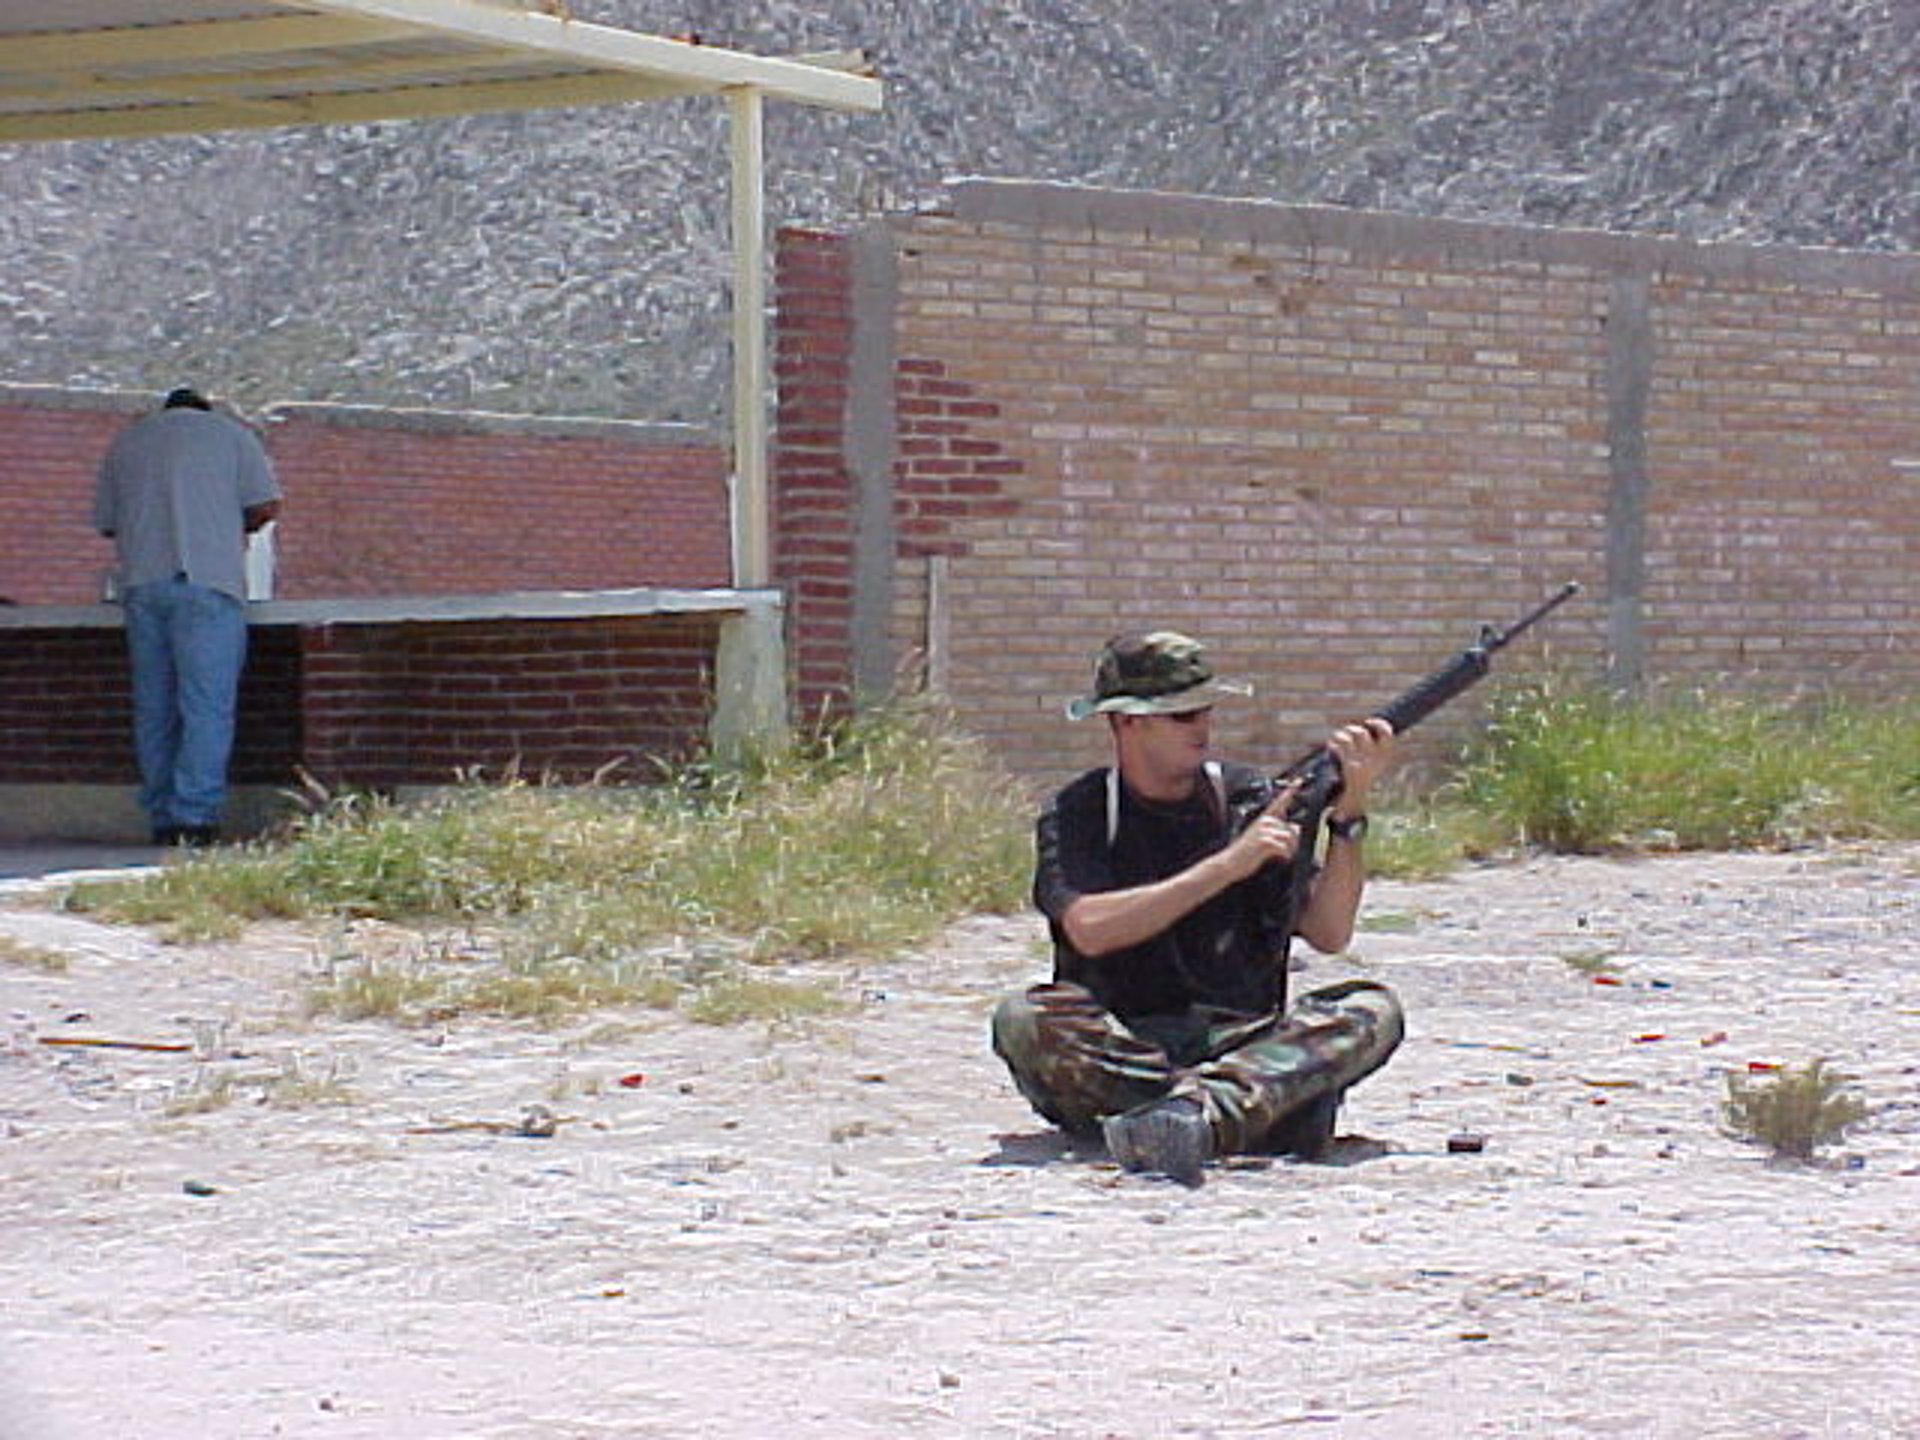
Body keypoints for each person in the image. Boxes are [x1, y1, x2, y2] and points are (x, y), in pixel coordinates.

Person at [991, 629, 1405, 1186]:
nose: (1203, 729)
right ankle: (1242, 1112)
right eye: (1182, 717)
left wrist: (1348, 817)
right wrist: (1230, 865)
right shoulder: (1081, 810)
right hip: (1128, 1046)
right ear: (1126, 722)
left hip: (1238, 1041)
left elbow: (1329, 931)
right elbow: (1089, 928)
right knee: (1025, 1018)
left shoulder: (1248, 801)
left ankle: (1192, 1117)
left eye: (1205, 711)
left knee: (1371, 1010)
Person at [93, 387, 282, 847]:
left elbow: (106, 522)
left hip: (143, 581)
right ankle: (193, 817)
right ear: (205, 407)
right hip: (207, 580)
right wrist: (222, 522)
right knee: (205, 706)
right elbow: (264, 506)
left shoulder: (127, 443)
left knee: (154, 706)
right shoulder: (232, 436)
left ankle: (160, 813)